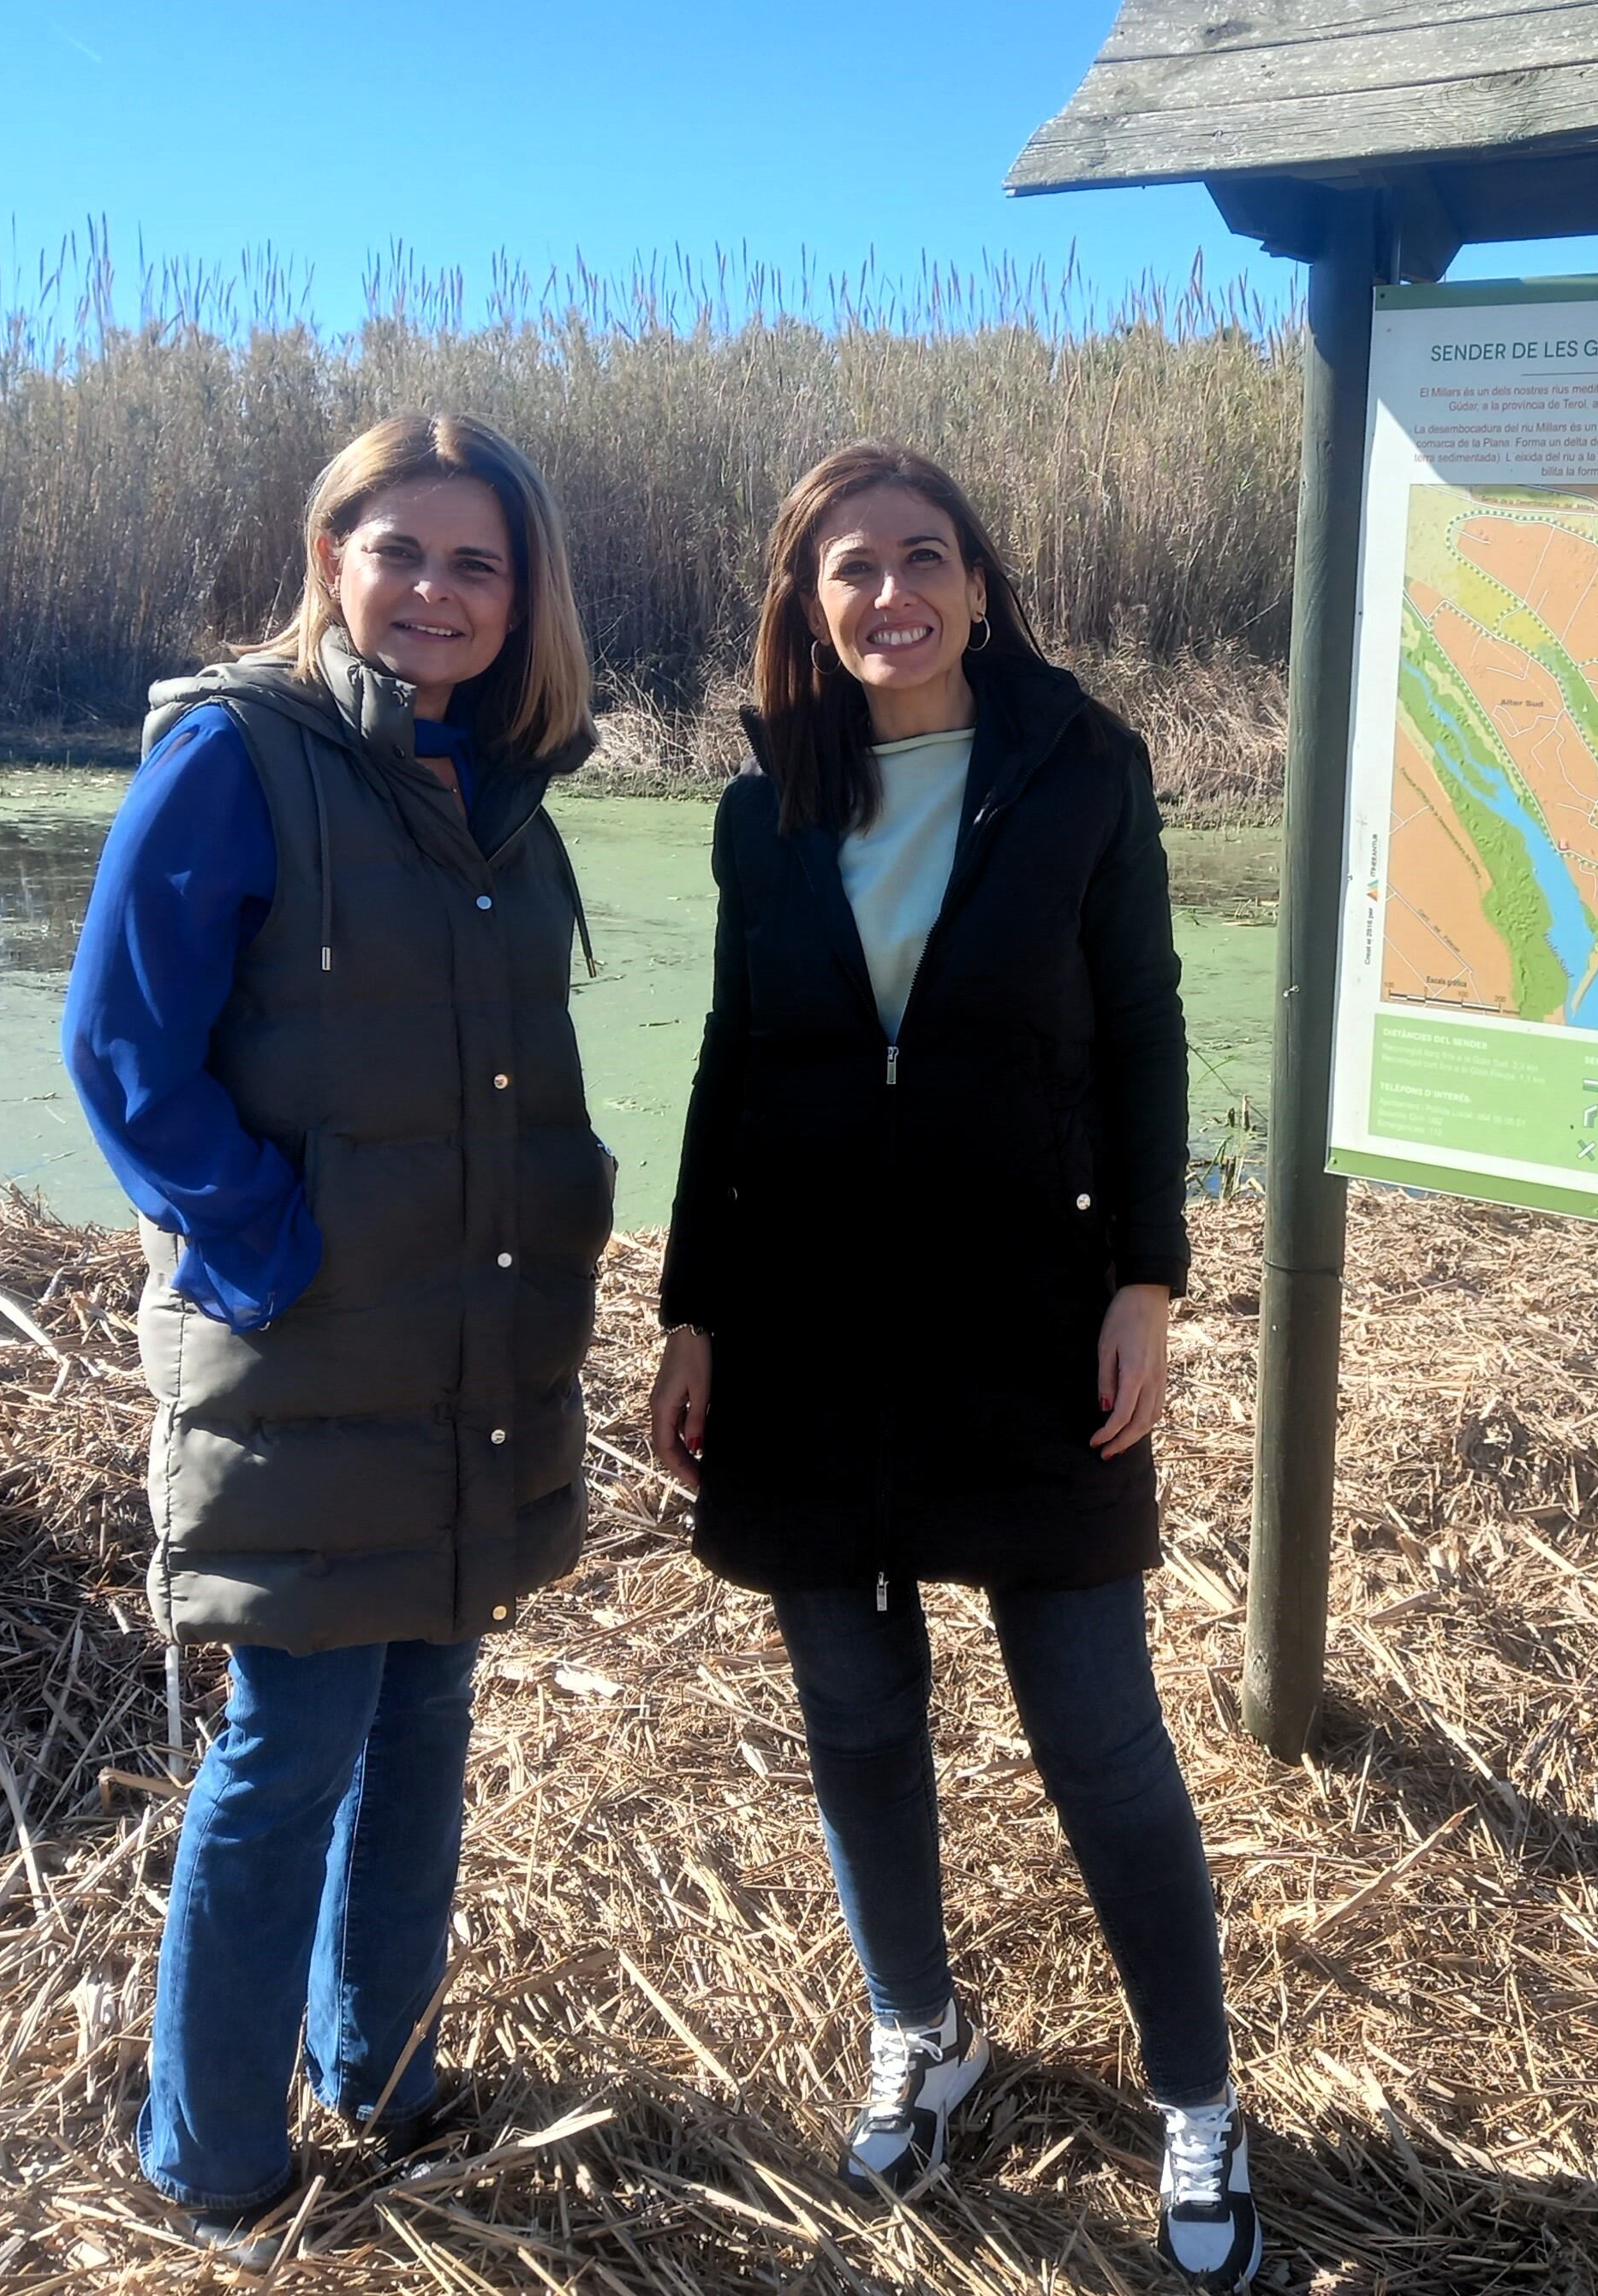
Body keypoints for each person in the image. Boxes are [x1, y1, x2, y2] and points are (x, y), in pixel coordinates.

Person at [647, 441, 1261, 2292]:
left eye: (922, 560)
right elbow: (728, 1062)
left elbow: (1146, 1028)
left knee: (1097, 1734)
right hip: (806, 1327)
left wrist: (1146, 1276)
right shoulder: (765, 809)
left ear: (979, 585)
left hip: (1022, 1317)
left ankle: (1197, 2101)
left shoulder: (1080, 773)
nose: (888, 594)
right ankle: (920, 2026)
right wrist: (690, 1310)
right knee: (854, 1712)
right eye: (849, 569)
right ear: (802, 604)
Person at [63, 412, 611, 2262]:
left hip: (466, 1340)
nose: (437, 594)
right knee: (287, 1741)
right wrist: (263, 1240)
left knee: (427, 1716)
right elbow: (122, 1050)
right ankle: (210, 2157)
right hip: (306, 1339)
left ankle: (380, 2076)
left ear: (520, 592)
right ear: (329, 562)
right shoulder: (238, 754)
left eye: (477, 563)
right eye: (401, 555)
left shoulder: (503, 782)